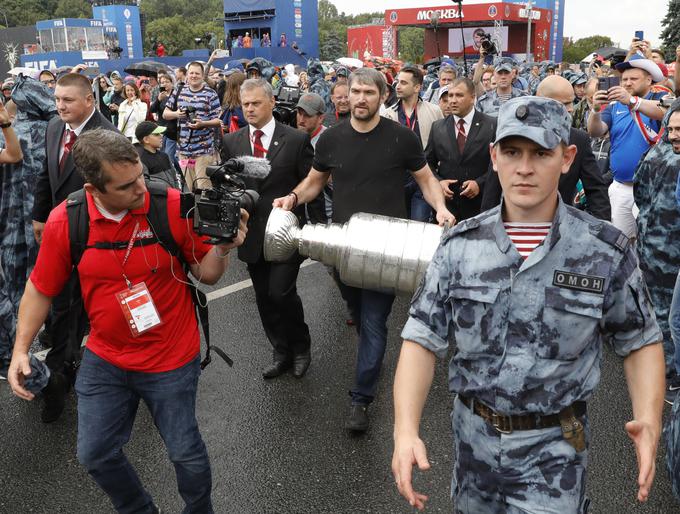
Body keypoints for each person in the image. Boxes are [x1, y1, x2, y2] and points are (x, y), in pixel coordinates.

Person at [392, 96, 665, 513]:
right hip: (473, 448)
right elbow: (421, 338)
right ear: (494, 157)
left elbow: (639, 338)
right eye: (512, 151)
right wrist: (404, 430)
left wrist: (649, 418)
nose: (524, 167)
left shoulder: (604, 251)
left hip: (554, 454)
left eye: (541, 152)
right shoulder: (459, 246)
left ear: (567, 156)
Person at [8, 129, 247, 513]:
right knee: (95, 454)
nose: (140, 187)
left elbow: (209, 273)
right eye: (126, 185)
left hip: (172, 358)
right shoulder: (67, 220)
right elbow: (40, 289)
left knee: (185, 455)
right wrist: (22, 349)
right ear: (93, 189)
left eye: (139, 175)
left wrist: (222, 246)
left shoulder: (167, 204)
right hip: (107, 360)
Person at [272, 68, 454, 432]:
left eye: (368, 92)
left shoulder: (402, 138)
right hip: (342, 248)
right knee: (355, 310)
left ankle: (361, 399)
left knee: (373, 322)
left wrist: (441, 208)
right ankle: (370, 359)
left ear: (382, 96)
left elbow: (426, 181)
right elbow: (313, 182)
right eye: (354, 91)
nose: (359, 98)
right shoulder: (331, 140)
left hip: (388, 248)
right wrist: (292, 198)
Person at [32, 73, 118, 422]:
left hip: (91, 235)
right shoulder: (54, 127)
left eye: (67, 100)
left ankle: (59, 377)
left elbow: (116, 193)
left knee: (75, 305)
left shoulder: (108, 137)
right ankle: (66, 359)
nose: (60, 106)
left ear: (89, 101)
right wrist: (39, 216)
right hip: (56, 232)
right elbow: (44, 173)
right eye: (56, 99)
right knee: (61, 302)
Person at [221, 78, 315, 380]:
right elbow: (229, 186)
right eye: (245, 104)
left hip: (286, 233)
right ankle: (280, 350)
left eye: (255, 103)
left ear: (272, 102)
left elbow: (310, 183)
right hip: (250, 236)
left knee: (281, 292)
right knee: (263, 296)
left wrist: (308, 222)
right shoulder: (232, 142)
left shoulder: (297, 140)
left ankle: (301, 347)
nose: (249, 108)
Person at [483, 75, 611, 221]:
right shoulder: (509, 135)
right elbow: (492, 189)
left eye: (571, 102)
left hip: (562, 228)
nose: (569, 109)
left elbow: (595, 189)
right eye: (562, 104)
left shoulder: (578, 139)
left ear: (568, 157)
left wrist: (600, 228)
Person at [588, 54, 668, 238]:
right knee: (621, 243)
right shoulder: (615, 105)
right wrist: (595, 110)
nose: (627, 83)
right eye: (624, 79)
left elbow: (664, 112)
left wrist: (633, 102)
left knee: (650, 244)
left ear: (649, 79)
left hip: (653, 189)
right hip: (621, 186)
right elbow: (595, 131)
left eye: (633, 79)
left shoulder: (660, 96)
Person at [634, 100, 680, 401]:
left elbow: (639, 191)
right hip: (662, 247)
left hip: (655, 243)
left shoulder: (655, 153)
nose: (675, 134)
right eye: (673, 128)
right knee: (668, 315)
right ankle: (670, 375)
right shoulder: (664, 155)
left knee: (663, 313)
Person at [426, 77, 496, 222]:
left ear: (472, 98)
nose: (452, 100)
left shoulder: (492, 125)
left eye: (459, 95)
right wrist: (439, 182)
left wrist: (480, 183)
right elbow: (427, 163)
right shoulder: (438, 127)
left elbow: (499, 163)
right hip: (448, 211)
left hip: (481, 208)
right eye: (450, 95)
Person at [383, 64, 443, 222]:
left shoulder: (434, 111)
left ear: (417, 87)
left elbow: (441, 145)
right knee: (398, 225)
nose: (398, 86)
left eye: (404, 82)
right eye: (397, 81)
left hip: (424, 178)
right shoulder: (388, 114)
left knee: (418, 224)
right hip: (397, 180)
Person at [163, 61, 221, 190]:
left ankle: (203, 211)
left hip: (203, 151)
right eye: (191, 73)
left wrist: (203, 124)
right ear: (187, 74)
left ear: (202, 75)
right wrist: (177, 114)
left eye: (197, 73)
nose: (194, 76)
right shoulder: (179, 91)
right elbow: (165, 114)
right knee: (191, 187)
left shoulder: (210, 94)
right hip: (184, 151)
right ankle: (194, 210)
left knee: (204, 188)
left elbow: (219, 121)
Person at [150, 73, 179, 170]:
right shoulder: (160, 95)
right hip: (161, 131)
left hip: (172, 131)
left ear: (172, 83)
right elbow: (152, 110)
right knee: (164, 155)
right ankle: (181, 172)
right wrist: (158, 100)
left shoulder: (176, 95)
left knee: (168, 157)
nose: (164, 84)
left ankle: (173, 179)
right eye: (162, 82)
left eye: (167, 82)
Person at [134, 121, 176, 187]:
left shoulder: (164, 156)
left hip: (174, 196)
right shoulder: (141, 160)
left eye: (160, 133)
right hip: (159, 196)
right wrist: (168, 191)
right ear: (146, 139)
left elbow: (175, 177)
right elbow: (146, 185)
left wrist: (178, 192)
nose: (161, 136)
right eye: (156, 134)